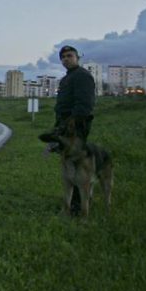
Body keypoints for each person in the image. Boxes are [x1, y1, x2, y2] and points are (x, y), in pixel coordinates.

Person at [48, 45, 96, 215]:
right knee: (69, 167)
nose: (66, 59)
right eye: (63, 57)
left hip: (76, 129)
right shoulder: (67, 78)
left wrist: (71, 126)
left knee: (76, 169)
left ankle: (77, 207)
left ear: (77, 58)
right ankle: (74, 202)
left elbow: (84, 105)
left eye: (70, 55)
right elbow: (62, 107)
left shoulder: (83, 76)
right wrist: (58, 129)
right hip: (65, 128)